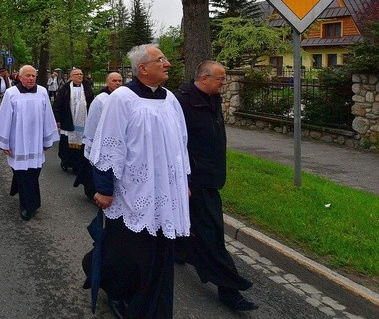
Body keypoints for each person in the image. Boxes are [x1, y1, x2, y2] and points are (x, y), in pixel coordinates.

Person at [84, 44, 190, 319]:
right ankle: (120, 293)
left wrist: (184, 182)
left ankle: (154, 308)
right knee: (131, 256)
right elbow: (109, 147)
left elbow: (181, 146)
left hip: (164, 193)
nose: (167, 63)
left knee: (160, 253)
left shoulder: (170, 100)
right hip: (131, 194)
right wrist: (104, 190)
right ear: (142, 69)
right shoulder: (122, 99)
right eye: (161, 60)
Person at [175, 61, 258, 311]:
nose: (224, 83)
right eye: (221, 79)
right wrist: (185, 179)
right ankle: (229, 289)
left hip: (210, 178)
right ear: (204, 78)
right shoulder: (182, 102)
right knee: (212, 233)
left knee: (194, 227)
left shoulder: (212, 97)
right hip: (195, 180)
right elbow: (177, 144)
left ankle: (179, 251)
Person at [0, 65, 59, 221]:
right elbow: (4, 118)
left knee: (33, 173)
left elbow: (47, 116)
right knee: (22, 174)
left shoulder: (42, 92)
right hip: (18, 143)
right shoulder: (11, 94)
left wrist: (47, 139)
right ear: (20, 77)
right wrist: (4, 143)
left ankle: (23, 194)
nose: (31, 78)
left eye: (33, 76)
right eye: (27, 75)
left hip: (36, 142)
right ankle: (28, 206)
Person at [78, 71, 123, 198]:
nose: (118, 83)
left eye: (120, 80)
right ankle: (94, 190)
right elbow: (93, 120)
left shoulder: (123, 98)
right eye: (114, 81)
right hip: (101, 139)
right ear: (108, 82)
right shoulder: (101, 99)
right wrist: (91, 141)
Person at [53, 68, 94, 176]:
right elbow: (58, 105)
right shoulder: (65, 89)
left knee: (82, 144)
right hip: (68, 119)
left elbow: (92, 103)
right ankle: (66, 162)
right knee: (66, 144)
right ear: (71, 77)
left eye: (81, 74)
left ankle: (78, 165)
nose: (80, 76)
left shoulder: (87, 88)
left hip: (83, 121)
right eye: (77, 74)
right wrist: (58, 119)